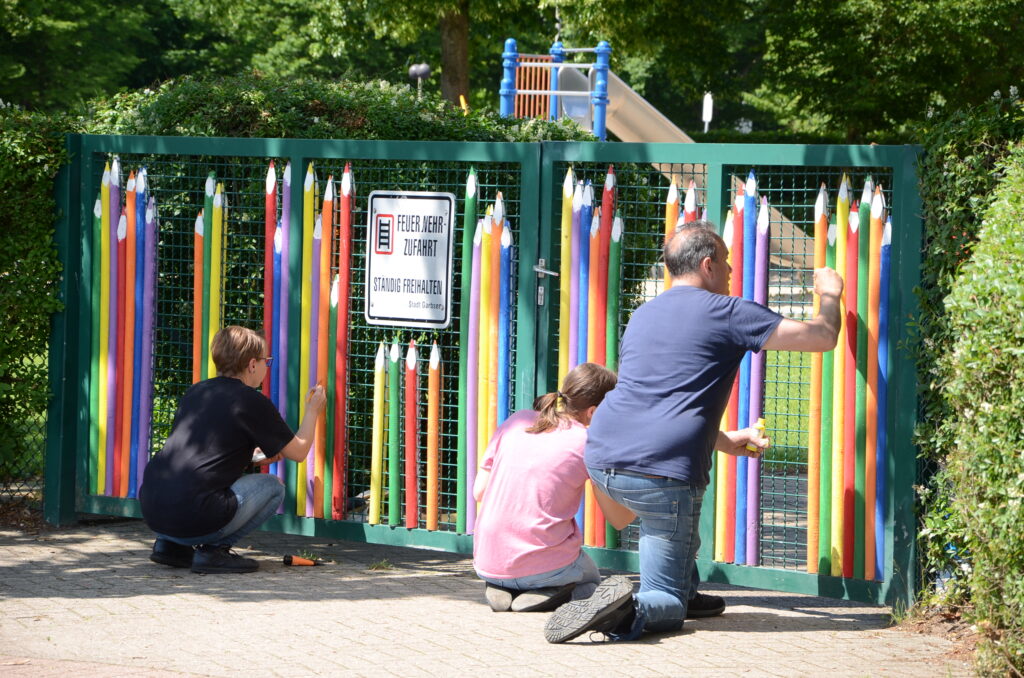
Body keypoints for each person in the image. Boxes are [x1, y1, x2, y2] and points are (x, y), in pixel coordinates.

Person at [544, 221, 844, 643]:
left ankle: (679, 587)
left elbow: (661, 401)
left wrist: (725, 440)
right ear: (707, 265)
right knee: (666, 601)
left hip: (602, 458)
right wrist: (830, 293)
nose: (731, 272)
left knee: (671, 528)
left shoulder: (644, 313)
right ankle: (635, 604)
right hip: (661, 475)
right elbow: (822, 337)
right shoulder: (729, 311)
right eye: (726, 263)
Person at [140, 325, 326, 574]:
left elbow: (202, 455)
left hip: (154, 510)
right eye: (265, 361)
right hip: (195, 514)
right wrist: (312, 410)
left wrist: (252, 459)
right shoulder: (251, 400)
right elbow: (300, 452)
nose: (265, 367)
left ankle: (170, 546)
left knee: (194, 495)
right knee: (273, 488)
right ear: (251, 365)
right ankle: (213, 552)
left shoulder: (196, 391)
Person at [473, 363, 635, 612]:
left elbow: (479, 492)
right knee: (592, 578)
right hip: (545, 568)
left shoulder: (518, 420)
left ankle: (505, 586)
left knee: (521, 568)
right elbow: (620, 520)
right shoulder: (588, 442)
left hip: (487, 561)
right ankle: (553, 593)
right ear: (593, 412)